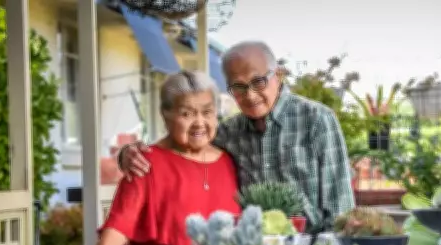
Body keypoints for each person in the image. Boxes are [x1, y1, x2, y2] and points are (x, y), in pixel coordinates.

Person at [67, 71, 240, 245]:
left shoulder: (229, 162)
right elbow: (122, 220)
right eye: (187, 113)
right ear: (166, 114)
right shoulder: (146, 162)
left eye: (207, 112)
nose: (200, 122)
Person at [116, 41, 355, 232]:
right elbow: (182, 146)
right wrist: (129, 153)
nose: (249, 95)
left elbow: (340, 209)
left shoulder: (316, 120)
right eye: (238, 87)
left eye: (258, 82)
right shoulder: (228, 133)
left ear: (279, 75)